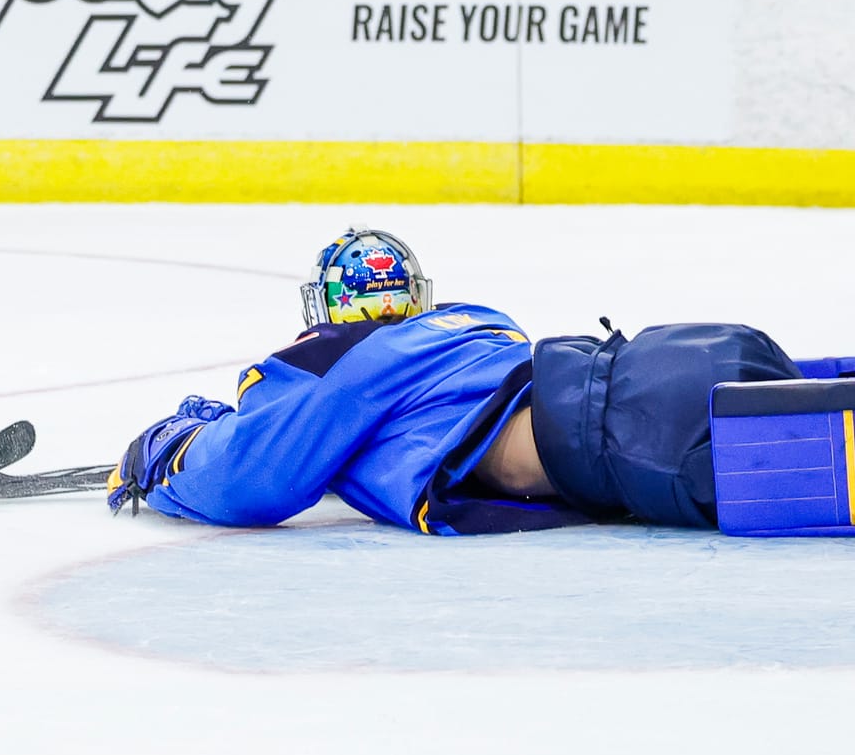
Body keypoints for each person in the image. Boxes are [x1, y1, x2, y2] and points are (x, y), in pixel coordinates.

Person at [106, 229, 800, 534]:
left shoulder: (330, 366)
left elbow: (251, 479)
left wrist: (173, 447)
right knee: (777, 409)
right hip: (659, 364)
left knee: (737, 464)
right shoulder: (476, 323)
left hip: (632, 441)